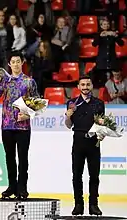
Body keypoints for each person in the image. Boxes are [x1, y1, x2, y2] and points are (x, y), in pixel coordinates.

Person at [0, 51, 39, 200]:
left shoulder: (29, 81)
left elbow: (38, 103)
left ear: (22, 62)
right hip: (7, 125)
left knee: (23, 158)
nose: (16, 64)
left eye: (18, 61)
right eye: (13, 62)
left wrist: (28, 114)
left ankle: (22, 188)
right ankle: (12, 186)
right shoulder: (5, 81)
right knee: (9, 158)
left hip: (23, 126)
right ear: (9, 64)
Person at [65, 75, 105, 216]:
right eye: (83, 84)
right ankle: (78, 204)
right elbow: (69, 126)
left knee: (94, 176)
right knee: (77, 175)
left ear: (92, 86)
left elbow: (102, 125)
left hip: (94, 143)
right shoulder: (72, 103)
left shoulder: (99, 103)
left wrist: (102, 133)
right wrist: (68, 116)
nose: (85, 87)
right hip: (78, 142)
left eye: (88, 84)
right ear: (78, 87)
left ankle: (93, 204)